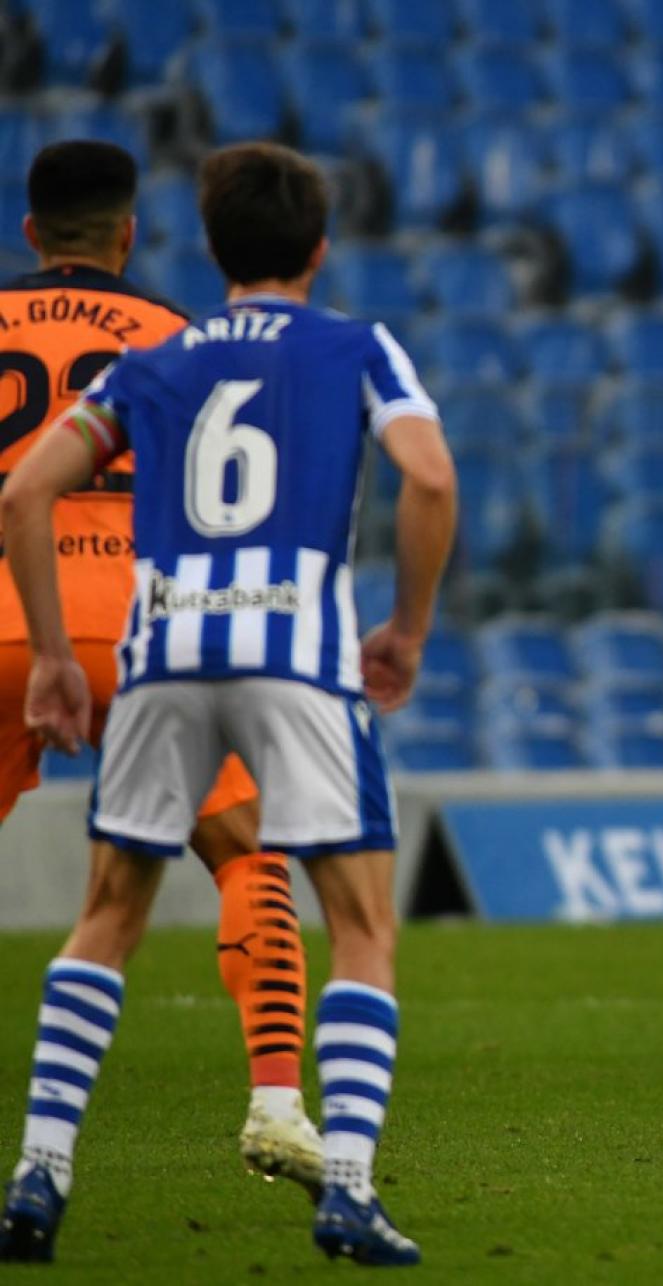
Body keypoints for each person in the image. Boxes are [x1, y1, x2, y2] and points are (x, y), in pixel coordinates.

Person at [0, 142, 457, 1265]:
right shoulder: (354, 344)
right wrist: (403, 627)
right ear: (320, 247)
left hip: (160, 647)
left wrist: (58, 653)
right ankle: (340, 1177)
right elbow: (431, 476)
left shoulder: (166, 357)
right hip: (293, 653)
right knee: (355, 917)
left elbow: (24, 487)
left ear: (207, 247)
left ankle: (40, 1172)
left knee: (109, 912)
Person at [0, 140, 322, 1192]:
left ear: (32, 233)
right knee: (247, 854)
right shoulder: (174, 338)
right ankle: (277, 1095)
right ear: (131, 235)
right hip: (138, 624)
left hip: (9, 603)